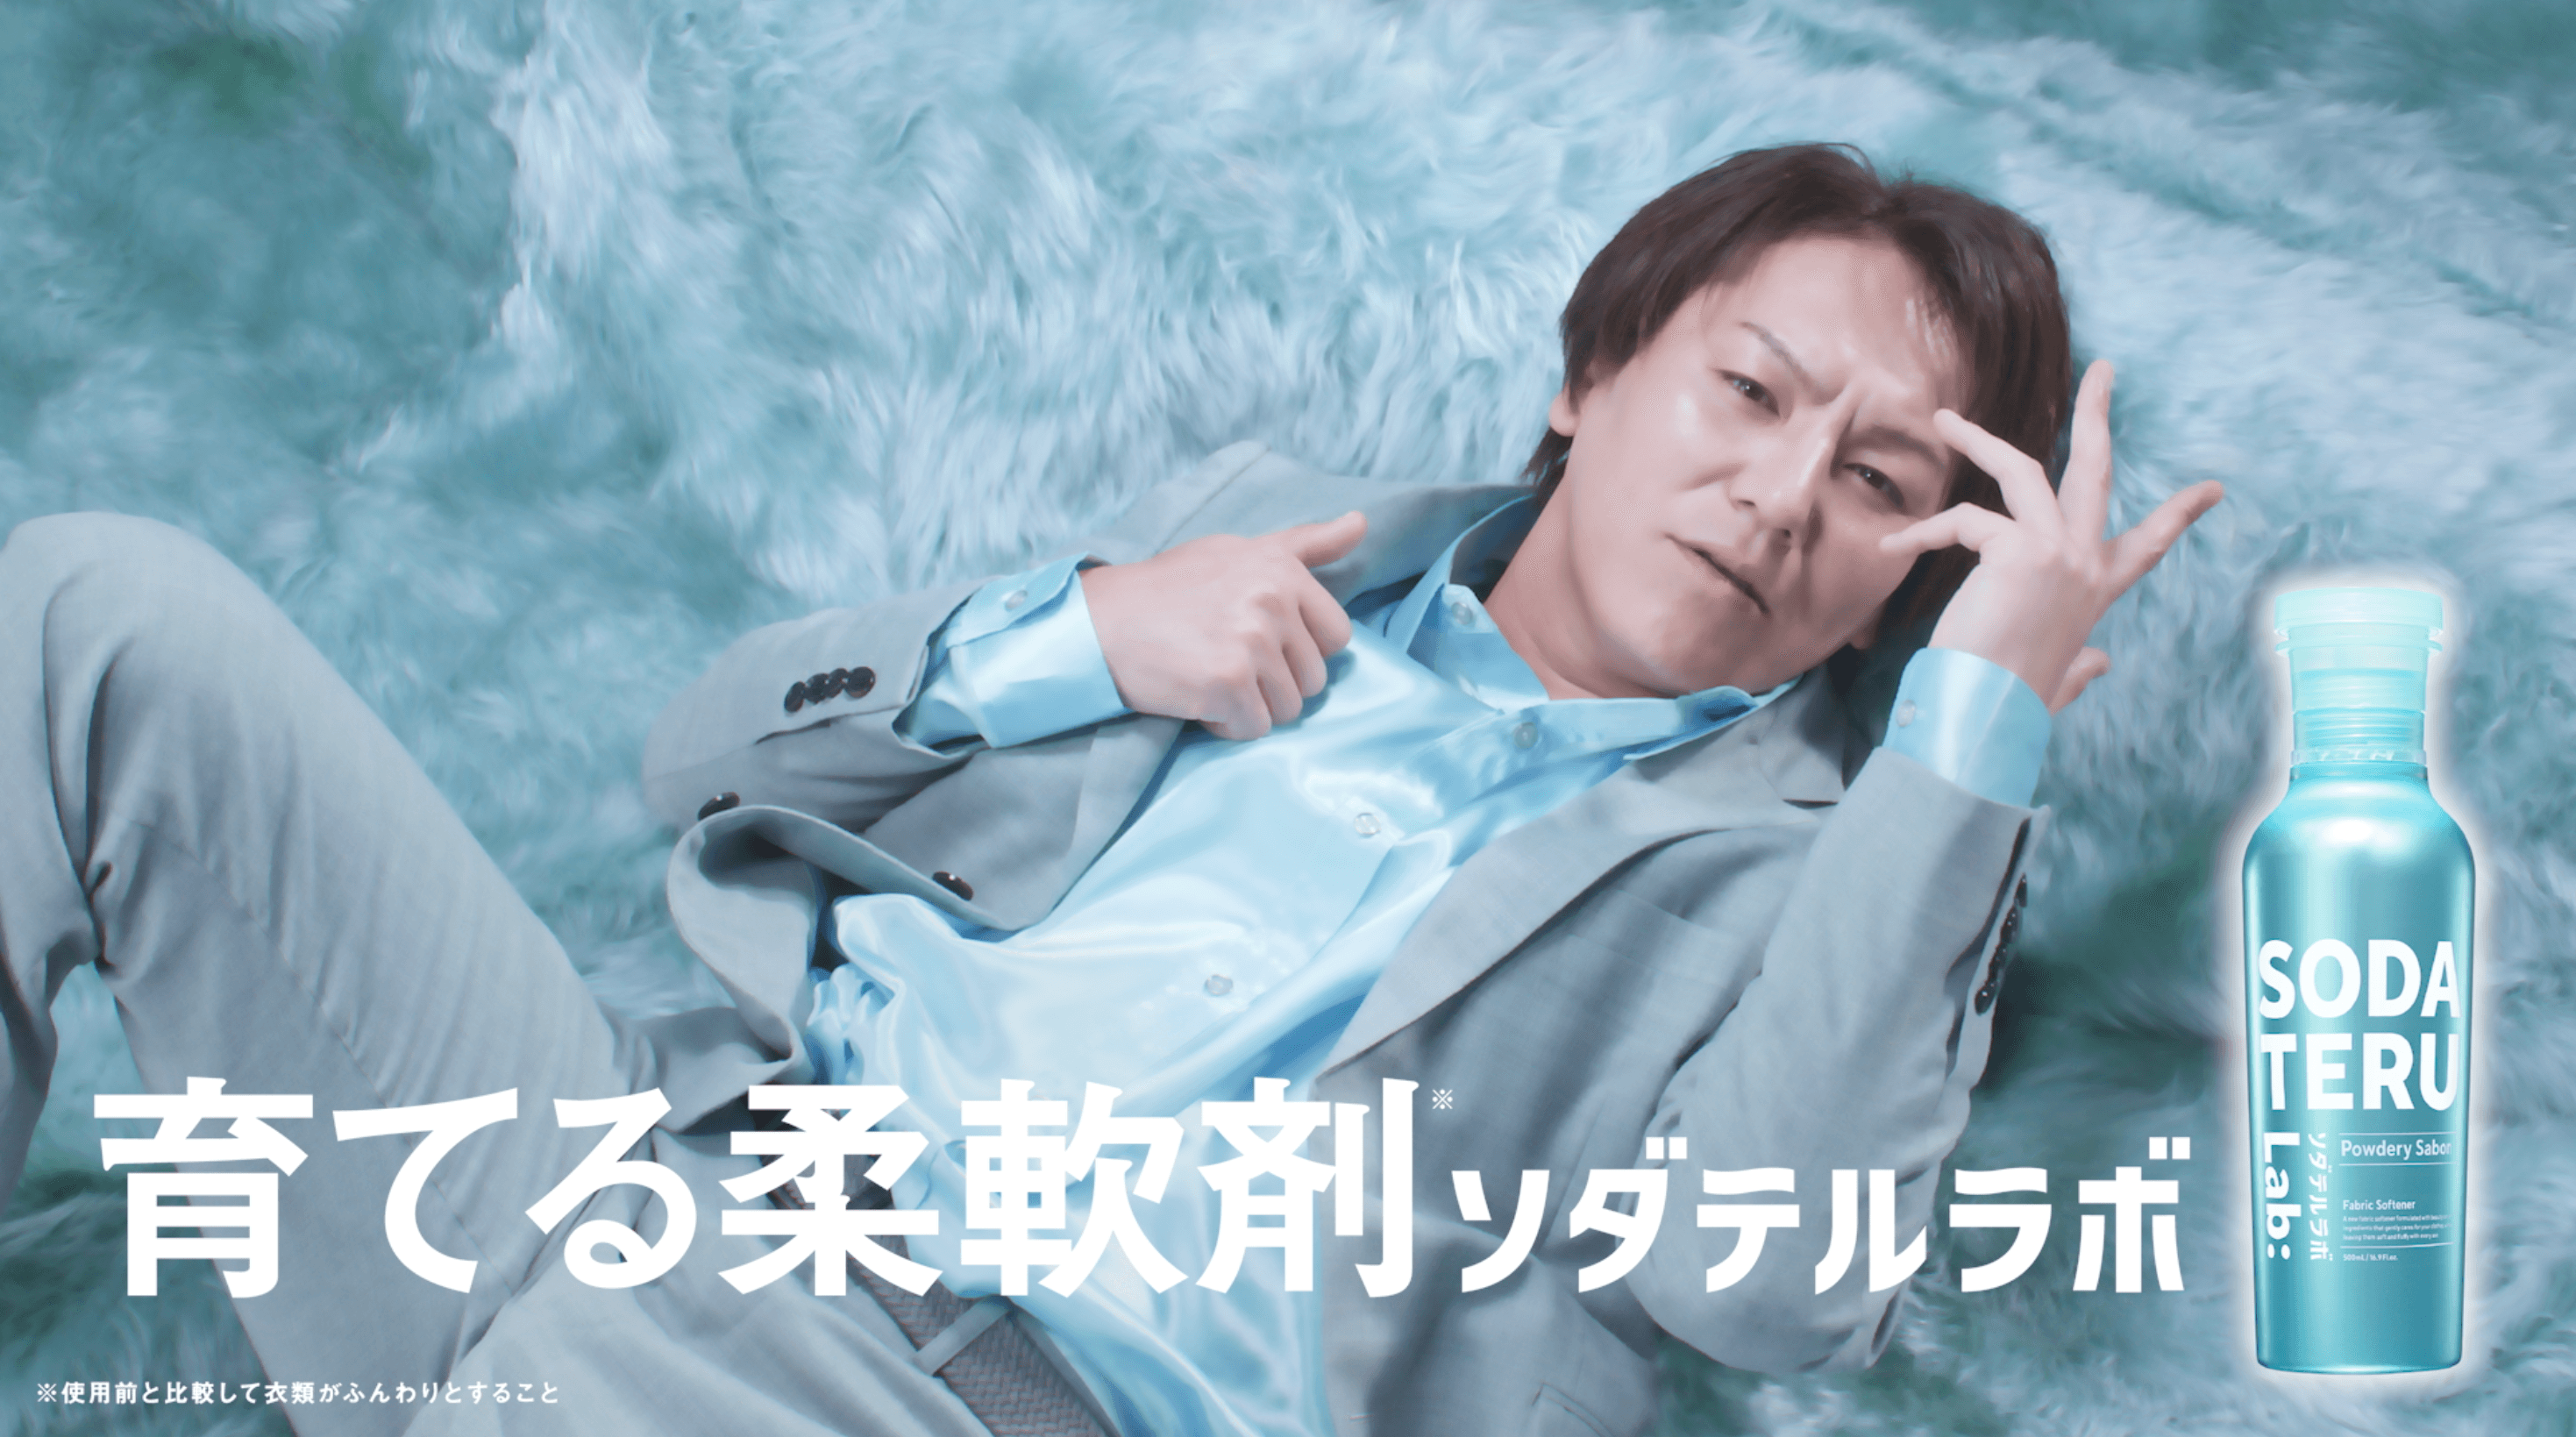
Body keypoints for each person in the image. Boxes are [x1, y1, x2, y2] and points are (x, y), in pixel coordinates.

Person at [0, 145, 2218, 1437]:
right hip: (608, 1172)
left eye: (1883, 488)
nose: (1781, 491)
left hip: (950, 1404)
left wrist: (1976, 728)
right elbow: (701, 758)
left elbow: (1762, 1291)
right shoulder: (1261, 541)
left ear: (1901, 593)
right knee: (95, 620)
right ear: (1591, 373)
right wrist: (1071, 636)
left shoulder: (1842, 884)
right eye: (1748, 390)